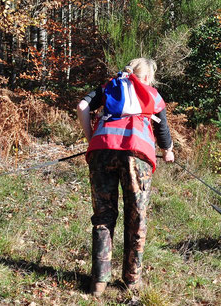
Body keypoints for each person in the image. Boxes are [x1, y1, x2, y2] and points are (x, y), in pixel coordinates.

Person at [77, 58, 174, 297]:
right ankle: (131, 281)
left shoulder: (109, 86)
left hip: (101, 151)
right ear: (148, 77)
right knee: (136, 217)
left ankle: (98, 282)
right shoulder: (152, 93)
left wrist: (92, 138)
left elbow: (82, 107)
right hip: (135, 154)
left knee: (103, 216)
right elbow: (162, 128)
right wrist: (168, 151)